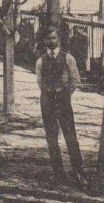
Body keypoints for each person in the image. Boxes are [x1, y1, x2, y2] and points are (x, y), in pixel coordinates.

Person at [35, 28, 88, 190]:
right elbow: (39, 82)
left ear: (58, 39)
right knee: (52, 138)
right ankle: (58, 173)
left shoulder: (68, 58)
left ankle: (79, 172)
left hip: (63, 102)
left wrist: (65, 95)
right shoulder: (40, 61)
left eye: (53, 38)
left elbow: (76, 80)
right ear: (44, 41)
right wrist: (49, 95)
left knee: (70, 136)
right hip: (47, 103)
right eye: (48, 39)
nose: (51, 41)